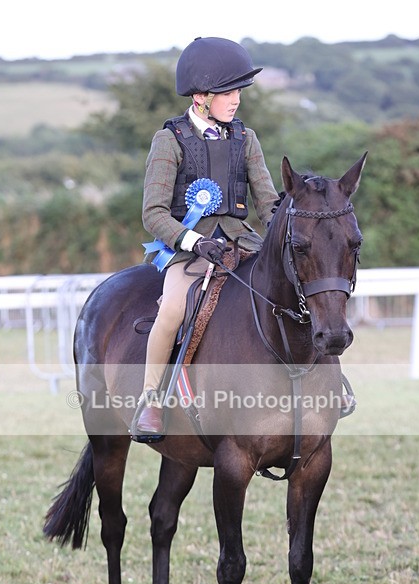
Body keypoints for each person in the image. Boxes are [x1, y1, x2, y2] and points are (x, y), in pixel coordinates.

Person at [136, 36, 280, 435]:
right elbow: (153, 212)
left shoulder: (245, 138)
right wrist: (194, 241)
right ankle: (151, 401)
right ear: (201, 96)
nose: (236, 100)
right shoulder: (170, 140)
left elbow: (267, 200)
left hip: (241, 242)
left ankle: (328, 381)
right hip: (192, 249)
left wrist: (285, 224)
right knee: (171, 311)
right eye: (228, 92)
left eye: (238, 91)